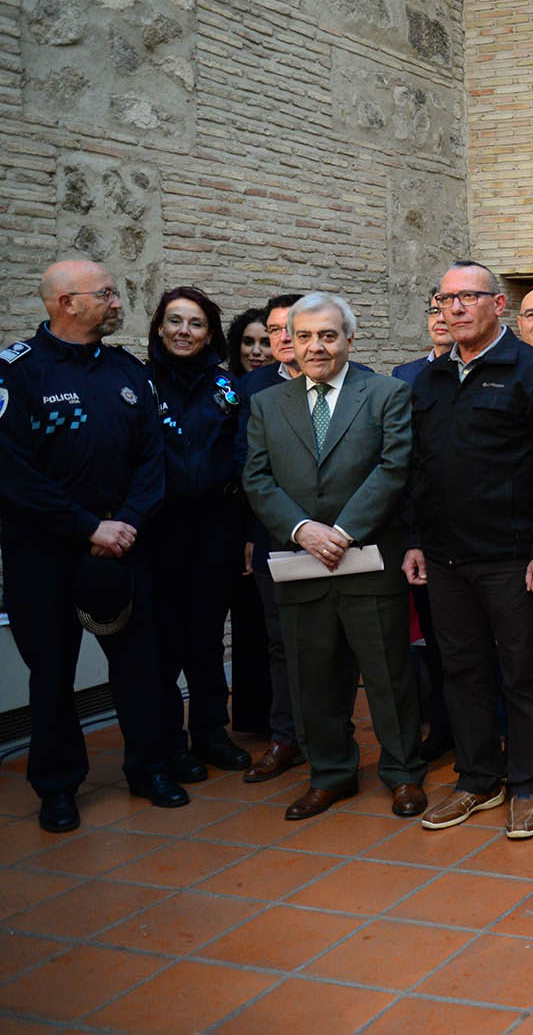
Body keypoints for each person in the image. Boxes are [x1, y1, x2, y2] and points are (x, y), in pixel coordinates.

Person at [0, 260, 185, 832]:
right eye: (105, 293)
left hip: (126, 544)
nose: (117, 301)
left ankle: (150, 768)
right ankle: (57, 787)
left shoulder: (128, 369)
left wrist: (124, 521)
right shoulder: (17, 374)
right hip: (45, 552)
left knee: (140, 666)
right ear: (65, 303)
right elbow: (13, 473)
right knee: (51, 672)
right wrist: (86, 526)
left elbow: (153, 458)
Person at [406, 261, 533, 840]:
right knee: (461, 672)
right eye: (445, 299)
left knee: (523, 673)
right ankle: (478, 778)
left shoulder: (532, 372)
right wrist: (415, 542)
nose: (454, 309)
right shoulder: (429, 380)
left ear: (496, 306)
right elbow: (419, 469)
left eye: (467, 298)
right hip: (446, 559)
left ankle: (529, 783)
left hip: (513, 558)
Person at [243, 293, 428, 821]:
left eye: (328, 335)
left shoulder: (387, 393)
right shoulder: (265, 404)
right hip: (302, 565)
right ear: (290, 344)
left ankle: (403, 773)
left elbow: (395, 468)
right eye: (304, 336)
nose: (316, 346)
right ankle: (330, 775)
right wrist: (302, 530)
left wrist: (342, 531)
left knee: (389, 676)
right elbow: (256, 477)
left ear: (350, 338)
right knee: (312, 677)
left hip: (368, 559)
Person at [143, 286, 253, 781]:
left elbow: (245, 456)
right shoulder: (138, 384)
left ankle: (211, 733)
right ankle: (169, 743)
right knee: (165, 642)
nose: (184, 332)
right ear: (159, 328)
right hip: (158, 532)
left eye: (196, 324)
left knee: (207, 639)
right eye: (174, 322)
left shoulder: (228, 388)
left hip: (216, 530)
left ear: (211, 333)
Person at [236, 292, 310, 783]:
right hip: (274, 536)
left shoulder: (359, 382)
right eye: (275, 330)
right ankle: (286, 737)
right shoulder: (250, 389)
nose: (282, 339)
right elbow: (247, 466)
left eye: (292, 328)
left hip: (342, 537)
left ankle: (332, 732)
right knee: (281, 642)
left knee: (337, 643)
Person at [392, 294, 455, 764]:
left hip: (483, 532)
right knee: (437, 641)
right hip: (426, 528)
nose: (441, 318)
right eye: (432, 309)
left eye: (450, 307)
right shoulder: (403, 379)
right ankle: (444, 727)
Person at [223, 305, 274, 737]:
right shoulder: (227, 390)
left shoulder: (276, 390)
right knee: (249, 625)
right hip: (235, 524)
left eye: (266, 341)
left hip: (267, 527)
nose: (258, 351)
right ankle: (254, 718)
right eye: (249, 342)